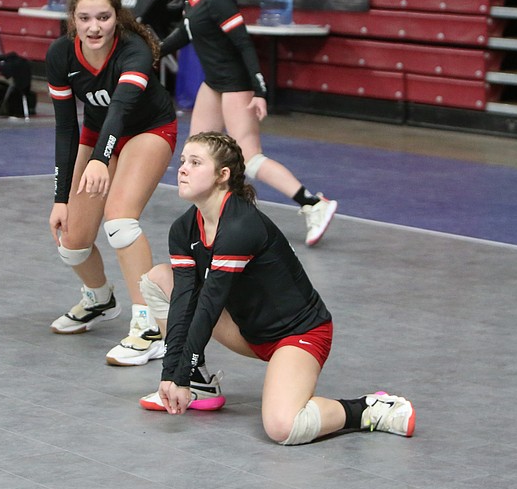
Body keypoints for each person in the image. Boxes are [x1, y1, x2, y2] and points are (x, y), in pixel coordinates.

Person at [137, 131, 415, 444]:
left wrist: (180, 376)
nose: (183, 169)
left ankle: (369, 409)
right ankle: (200, 382)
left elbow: (209, 307)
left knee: (283, 426)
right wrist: (170, 374)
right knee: (159, 280)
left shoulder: (240, 226)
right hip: (248, 332)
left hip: (298, 335)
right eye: (183, 161)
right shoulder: (184, 228)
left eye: (195, 162)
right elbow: (185, 302)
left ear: (222, 176)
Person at [159, 0, 338, 246]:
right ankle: (223, 217)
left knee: (250, 157)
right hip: (214, 83)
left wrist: (259, 90)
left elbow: (243, 42)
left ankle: (313, 204)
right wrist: (152, 51)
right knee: (197, 153)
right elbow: (186, 32)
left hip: (236, 84)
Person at [47, 0, 177, 366]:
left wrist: (102, 160)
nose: (94, 27)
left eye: (103, 17)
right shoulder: (60, 55)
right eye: (85, 18)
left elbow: (119, 109)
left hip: (148, 129)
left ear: (116, 17)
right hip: (98, 134)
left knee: (119, 220)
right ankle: (100, 299)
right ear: (72, 19)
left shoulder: (134, 50)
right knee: (72, 242)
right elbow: (67, 127)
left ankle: (150, 326)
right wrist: (59, 197)